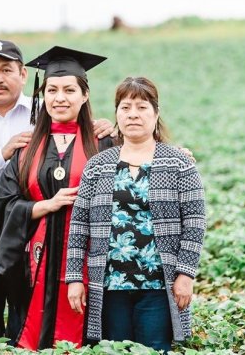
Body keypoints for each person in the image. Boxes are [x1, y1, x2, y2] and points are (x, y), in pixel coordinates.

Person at [0, 41, 115, 341]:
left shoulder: (44, 117)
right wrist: (3, 154)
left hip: (49, 255)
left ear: (23, 75)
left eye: (6, 70)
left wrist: (105, 128)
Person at [65, 76, 206, 351]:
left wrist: (185, 275)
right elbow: (79, 225)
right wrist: (74, 278)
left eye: (141, 107)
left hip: (158, 284)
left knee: (154, 348)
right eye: (125, 107)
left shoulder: (178, 163)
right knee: (115, 348)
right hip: (109, 284)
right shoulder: (98, 165)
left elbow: (195, 223)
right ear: (116, 113)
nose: (133, 114)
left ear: (155, 112)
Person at [0, 45, 114, 350]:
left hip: (91, 264)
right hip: (35, 265)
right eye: (52, 90)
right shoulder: (26, 148)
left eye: (69, 90)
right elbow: (4, 205)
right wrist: (44, 205)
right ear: (42, 94)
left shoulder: (105, 143)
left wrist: (180, 156)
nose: (60, 98)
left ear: (85, 95)